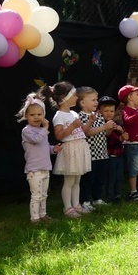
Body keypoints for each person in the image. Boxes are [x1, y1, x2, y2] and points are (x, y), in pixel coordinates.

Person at [40, 81, 92, 218]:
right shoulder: (59, 116)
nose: (77, 98)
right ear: (65, 98)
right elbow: (58, 135)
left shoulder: (74, 114)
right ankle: (68, 208)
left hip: (79, 147)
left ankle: (76, 205)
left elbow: (83, 131)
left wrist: (90, 122)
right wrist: (72, 127)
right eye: (74, 95)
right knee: (69, 181)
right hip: (70, 149)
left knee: (77, 181)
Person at [16, 93, 62, 223]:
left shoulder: (42, 132)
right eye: (32, 115)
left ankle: (43, 215)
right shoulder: (27, 131)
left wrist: (54, 149)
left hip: (45, 167)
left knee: (43, 194)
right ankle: (35, 219)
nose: (36, 117)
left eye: (39, 114)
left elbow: (44, 147)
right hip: (34, 170)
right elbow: (37, 140)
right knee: (36, 195)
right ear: (26, 116)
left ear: (44, 115)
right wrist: (46, 128)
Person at [77, 87, 115, 211]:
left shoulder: (98, 116)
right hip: (90, 155)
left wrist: (110, 128)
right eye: (93, 100)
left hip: (102, 153)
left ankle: (98, 198)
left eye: (96, 99)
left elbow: (105, 135)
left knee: (100, 178)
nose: (96, 102)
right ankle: (85, 201)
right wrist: (104, 127)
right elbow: (86, 132)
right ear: (83, 103)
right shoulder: (81, 117)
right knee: (88, 179)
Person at [99, 95, 126, 203]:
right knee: (111, 177)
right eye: (106, 111)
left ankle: (118, 194)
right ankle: (110, 196)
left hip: (119, 154)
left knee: (119, 176)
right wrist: (120, 136)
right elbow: (107, 138)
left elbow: (124, 137)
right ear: (100, 111)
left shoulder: (116, 124)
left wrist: (122, 132)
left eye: (112, 111)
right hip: (109, 156)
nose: (109, 113)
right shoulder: (101, 124)